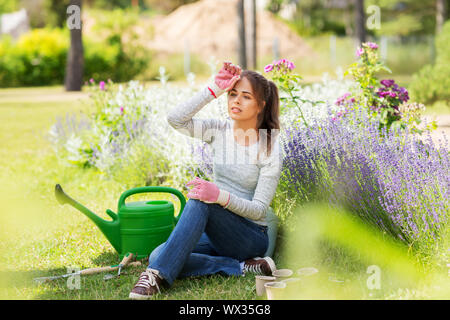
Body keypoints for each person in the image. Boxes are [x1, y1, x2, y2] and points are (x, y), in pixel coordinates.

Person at [129, 61, 283, 299]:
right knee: (159, 255)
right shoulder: (219, 131)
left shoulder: (270, 147)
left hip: (250, 236)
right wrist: (214, 89)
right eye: (232, 94)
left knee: (201, 200)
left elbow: (259, 209)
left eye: (246, 97)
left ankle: (154, 278)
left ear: (261, 105)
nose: (236, 101)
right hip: (217, 231)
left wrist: (218, 196)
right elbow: (176, 119)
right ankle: (241, 267)